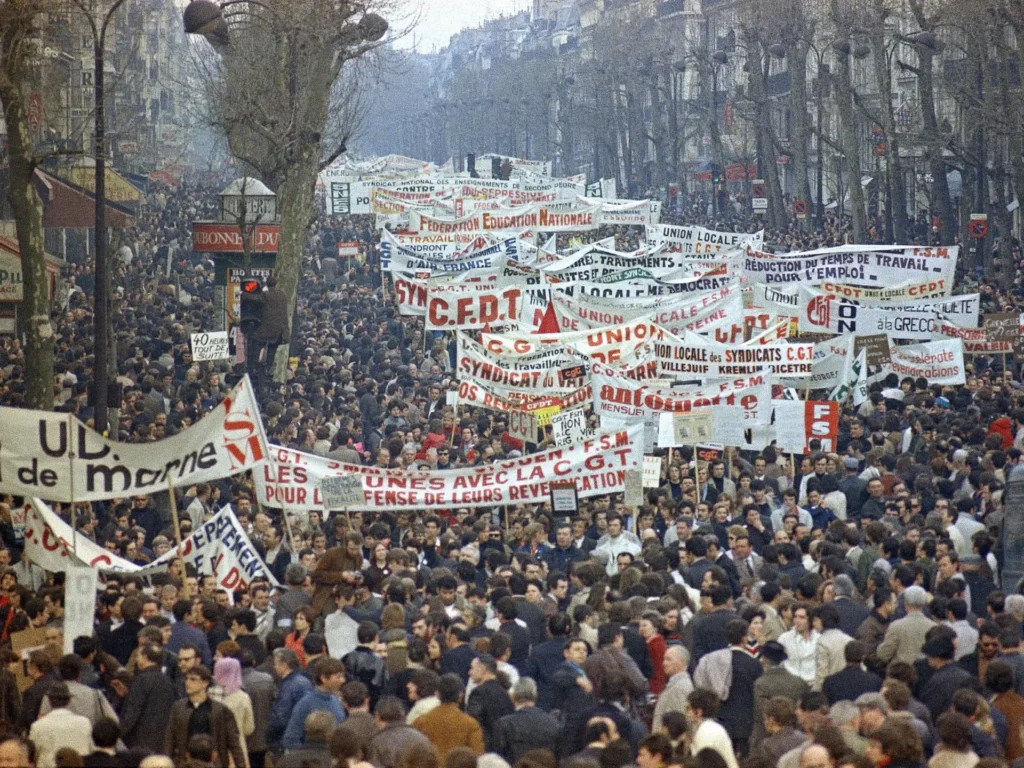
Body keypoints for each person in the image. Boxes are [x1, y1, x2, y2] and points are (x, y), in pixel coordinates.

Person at [165, 665, 246, 768]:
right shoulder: (178, 708)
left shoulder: (220, 710)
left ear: (205, 683)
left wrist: (241, 765)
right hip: (185, 763)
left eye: (193, 679)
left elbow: (234, 743)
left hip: (214, 763)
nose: (187, 682)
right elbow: (169, 739)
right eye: (186, 679)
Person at [119, 643, 176, 753]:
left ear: (145, 658)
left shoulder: (141, 680)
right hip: (163, 742)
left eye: (138, 656)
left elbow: (133, 712)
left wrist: (119, 733)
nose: (136, 659)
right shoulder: (169, 682)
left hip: (140, 743)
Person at [413, 674, 485, 759]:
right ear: (461, 696)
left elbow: (414, 754)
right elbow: (478, 755)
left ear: (437, 694)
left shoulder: (421, 721)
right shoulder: (471, 724)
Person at [282, 657, 347, 750]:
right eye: (338, 676)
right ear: (323, 678)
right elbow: (290, 739)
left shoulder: (336, 701)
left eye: (343, 676)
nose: (343, 680)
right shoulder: (305, 703)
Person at [495, 678, 560, 764]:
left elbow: (499, 757)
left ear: (513, 696)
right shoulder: (554, 722)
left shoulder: (504, 723)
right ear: (536, 696)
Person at [30, 682, 93, 768]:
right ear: (69, 700)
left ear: (49, 700)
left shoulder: (37, 726)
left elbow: (33, 755)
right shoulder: (85, 722)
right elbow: (91, 750)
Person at [211, 658, 255, 767]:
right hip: (238, 750)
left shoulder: (209, 695)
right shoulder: (243, 697)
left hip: (213, 750)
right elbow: (249, 728)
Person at [465, 655, 514, 753]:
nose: (469, 672)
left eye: (472, 668)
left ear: (482, 669)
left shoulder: (478, 693)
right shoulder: (505, 693)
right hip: (503, 750)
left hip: (485, 749)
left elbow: (473, 723)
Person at [685, 689, 739, 768]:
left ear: (698, 712)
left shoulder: (707, 733)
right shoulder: (711, 728)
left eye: (688, 708)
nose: (686, 712)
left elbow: (705, 764)